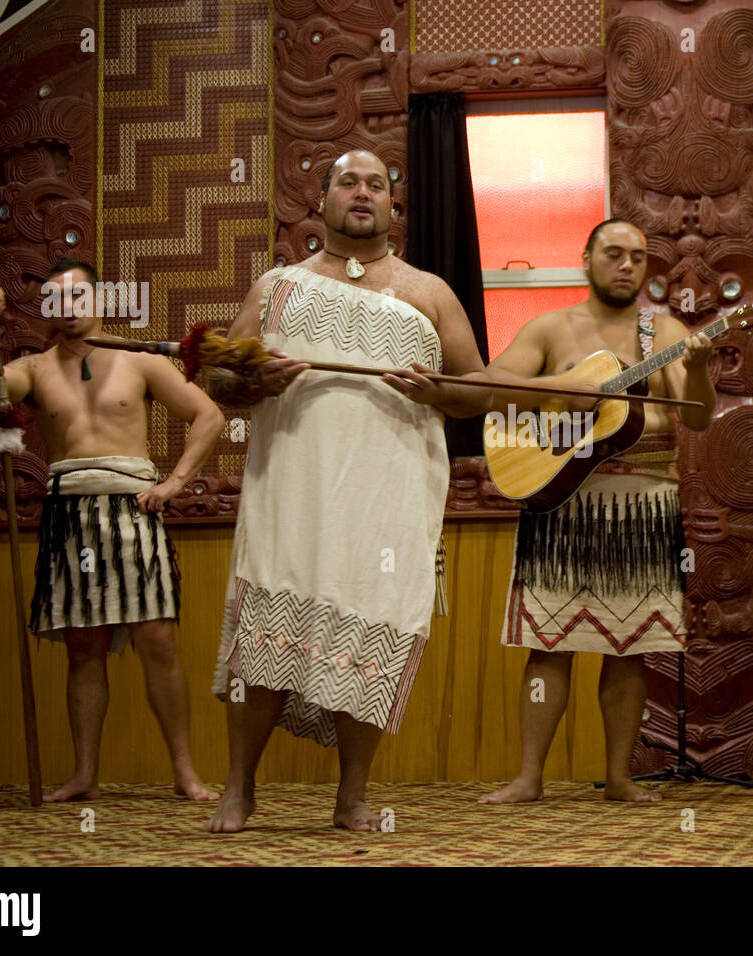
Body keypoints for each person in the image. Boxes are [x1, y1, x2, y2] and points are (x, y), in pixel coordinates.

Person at [204, 149, 525, 832]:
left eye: (376, 185)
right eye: (348, 181)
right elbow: (220, 385)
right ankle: (239, 788)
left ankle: (351, 796)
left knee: (372, 627)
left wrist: (443, 392)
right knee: (267, 631)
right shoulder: (276, 288)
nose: (362, 192)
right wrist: (255, 381)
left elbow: (481, 391)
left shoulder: (428, 292)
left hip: (390, 497)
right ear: (320, 201)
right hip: (294, 488)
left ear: (392, 208)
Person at [479, 219, 715, 804]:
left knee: (630, 645)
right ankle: (529, 777)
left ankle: (619, 777)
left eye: (638, 257)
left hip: (642, 504)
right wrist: (562, 392)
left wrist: (702, 368)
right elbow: (491, 382)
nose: (628, 265)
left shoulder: (663, 331)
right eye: (614, 254)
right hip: (561, 495)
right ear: (587, 259)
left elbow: (699, 418)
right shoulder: (552, 328)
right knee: (548, 642)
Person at [0, 259, 224, 801]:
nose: (70, 307)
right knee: (82, 648)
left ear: (100, 301)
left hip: (133, 509)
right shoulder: (34, 368)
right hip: (69, 515)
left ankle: (185, 773)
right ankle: (85, 775)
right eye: (57, 298)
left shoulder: (139, 362)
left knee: (157, 639)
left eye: (80, 295)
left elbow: (209, 416)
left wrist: (175, 482)